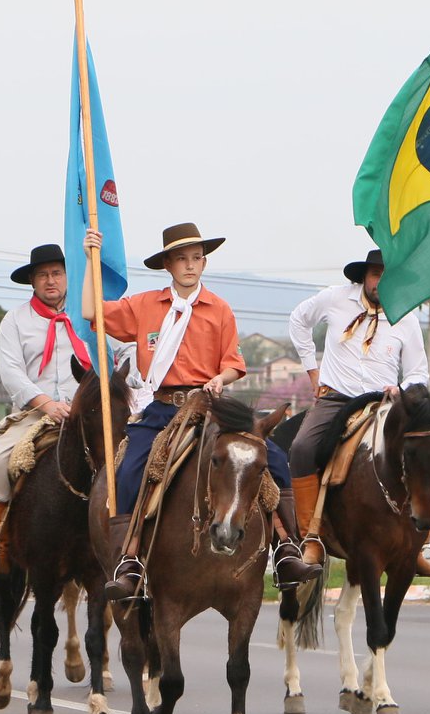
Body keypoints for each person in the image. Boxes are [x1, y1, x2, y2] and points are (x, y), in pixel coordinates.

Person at [92, 222, 323, 602]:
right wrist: (90, 259)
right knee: (130, 466)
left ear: (204, 263)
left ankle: (286, 549)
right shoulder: (144, 305)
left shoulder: (219, 309)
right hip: (163, 407)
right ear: (167, 264)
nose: (190, 265)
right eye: (181, 259)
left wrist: (220, 377)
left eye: (196, 258)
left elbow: (234, 363)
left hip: (211, 405)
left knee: (273, 459)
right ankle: (129, 560)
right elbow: (92, 312)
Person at [286, 248, 430, 570]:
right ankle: (311, 538)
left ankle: (419, 546)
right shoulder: (335, 298)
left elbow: (419, 372)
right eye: (376, 274)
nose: (381, 282)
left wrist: (402, 389)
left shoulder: (406, 315)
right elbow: (298, 320)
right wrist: (312, 371)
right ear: (364, 276)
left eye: (388, 276)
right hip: (337, 398)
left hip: (385, 404)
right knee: (301, 448)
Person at [0, 243, 85, 580]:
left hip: (85, 412)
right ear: (32, 281)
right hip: (36, 413)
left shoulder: (89, 314)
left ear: (67, 276)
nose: (51, 280)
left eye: (57, 273)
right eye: (43, 275)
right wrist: (46, 403)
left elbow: (118, 356)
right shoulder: (15, 321)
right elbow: (11, 373)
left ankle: (130, 546)